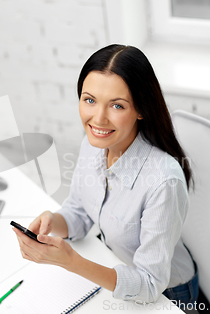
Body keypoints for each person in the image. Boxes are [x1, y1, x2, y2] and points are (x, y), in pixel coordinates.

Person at [13, 44, 198, 307]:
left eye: (117, 106)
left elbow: (149, 285)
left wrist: (72, 262)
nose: (98, 119)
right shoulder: (93, 145)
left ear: (141, 110)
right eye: (89, 100)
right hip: (116, 266)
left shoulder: (163, 182)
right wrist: (52, 221)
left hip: (169, 296)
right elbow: (80, 212)